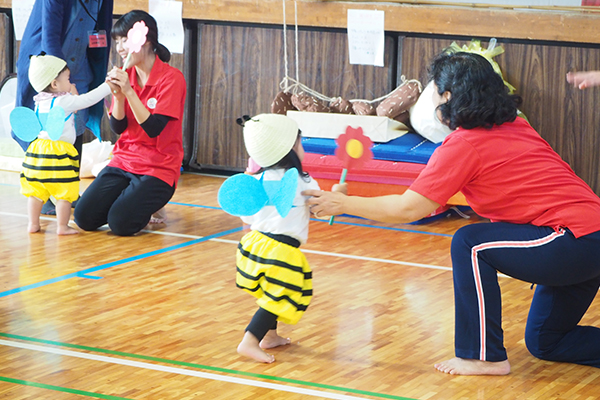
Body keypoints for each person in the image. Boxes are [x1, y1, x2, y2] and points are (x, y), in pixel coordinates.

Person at [304, 51, 600, 375]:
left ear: (447, 96)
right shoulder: (516, 124)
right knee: (547, 341)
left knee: (469, 243)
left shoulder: (464, 145)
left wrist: (344, 205)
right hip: (586, 239)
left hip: (572, 239)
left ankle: (483, 357)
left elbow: (408, 208)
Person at [73, 10, 186, 236]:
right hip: (124, 161)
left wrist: (128, 92)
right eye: (117, 41)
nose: (120, 47)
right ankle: (136, 199)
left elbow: (153, 129)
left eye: (125, 39)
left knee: (120, 224)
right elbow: (118, 128)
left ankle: (152, 202)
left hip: (159, 167)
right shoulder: (126, 75)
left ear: (147, 40)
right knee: (83, 217)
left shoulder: (172, 78)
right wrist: (119, 96)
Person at [233, 114, 320, 363]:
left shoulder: (257, 179)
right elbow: (320, 208)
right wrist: (339, 194)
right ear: (291, 148)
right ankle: (250, 340)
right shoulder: (304, 182)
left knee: (273, 293)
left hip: (254, 245)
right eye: (300, 142)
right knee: (282, 295)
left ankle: (269, 336)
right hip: (281, 250)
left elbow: (246, 216)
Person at [15, 0, 114, 215]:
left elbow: (101, 29)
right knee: (45, 131)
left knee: (74, 130)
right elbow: (49, 36)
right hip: (48, 68)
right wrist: (61, 83)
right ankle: (43, 193)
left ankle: (68, 192)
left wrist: (98, 63)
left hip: (79, 66)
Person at [20, 54, 112, 235]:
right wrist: (107, 86)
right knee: (64, 190)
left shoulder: (40, 101)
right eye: (67, 79)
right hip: (59, 154)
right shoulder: (63, 101)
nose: (70, 83)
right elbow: (86, 100)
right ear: (55, 84)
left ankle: (33, 223)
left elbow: (74, 108)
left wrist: (71, 91)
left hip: (38, 151)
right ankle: (62, 226)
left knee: (36, 190)